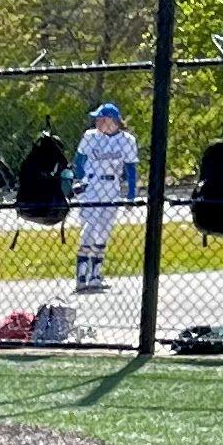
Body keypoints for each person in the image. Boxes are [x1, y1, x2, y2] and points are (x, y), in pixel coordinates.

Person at [69, 100, 139, 309]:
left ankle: (96, 274)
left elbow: (131, 168)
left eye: (102, 118)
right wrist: (77, 180)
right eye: (98, 119)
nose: (98, 121)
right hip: (91, 185)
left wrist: (131, 195)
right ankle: (82, 273)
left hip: (112, 187)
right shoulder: (91, 136)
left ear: (112, 120)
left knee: (104, 231)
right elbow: (79, 160)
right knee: (89, 228)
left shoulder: (127, 140)